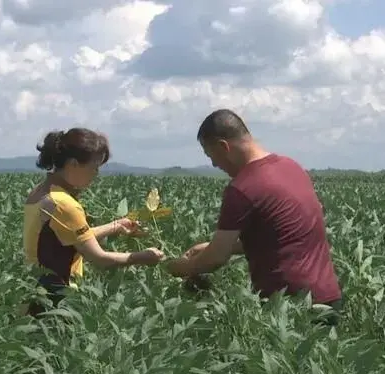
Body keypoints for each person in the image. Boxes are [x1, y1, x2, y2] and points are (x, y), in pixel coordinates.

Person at [165, 109, 343, 325]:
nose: (214, 165)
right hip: (328, 299)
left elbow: (215, 260)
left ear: (224, 147)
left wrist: (175, 267)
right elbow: (284, 236)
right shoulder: (291, 167)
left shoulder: (242, 188)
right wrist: (215, 246)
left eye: (211, 156)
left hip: (290, 309)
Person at [22, 127, 166, 316]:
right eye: (94, 167)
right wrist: (142, 257)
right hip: (56, 298)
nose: (96, 174)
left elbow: (66, 239)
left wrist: (116, 226)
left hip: (33, 289)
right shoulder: (64, 204)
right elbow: (100, 259)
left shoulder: (42, 191)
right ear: (73, 164)